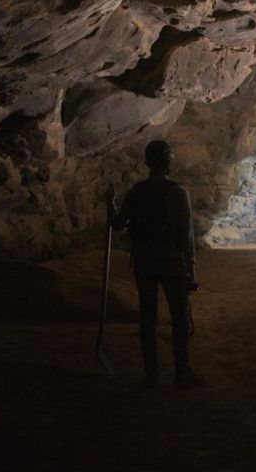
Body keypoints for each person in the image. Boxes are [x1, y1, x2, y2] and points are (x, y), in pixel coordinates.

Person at [109, 140, 203, 389]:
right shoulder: (177, 193)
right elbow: (186, 236)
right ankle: (181, 372)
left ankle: (151, 374)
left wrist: (110, 203)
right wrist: (190, 270)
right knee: (180, 317)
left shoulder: (137, 192)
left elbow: (117, 225)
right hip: (171, 261)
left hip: (144, 261)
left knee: (147, 318)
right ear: (169, 162)